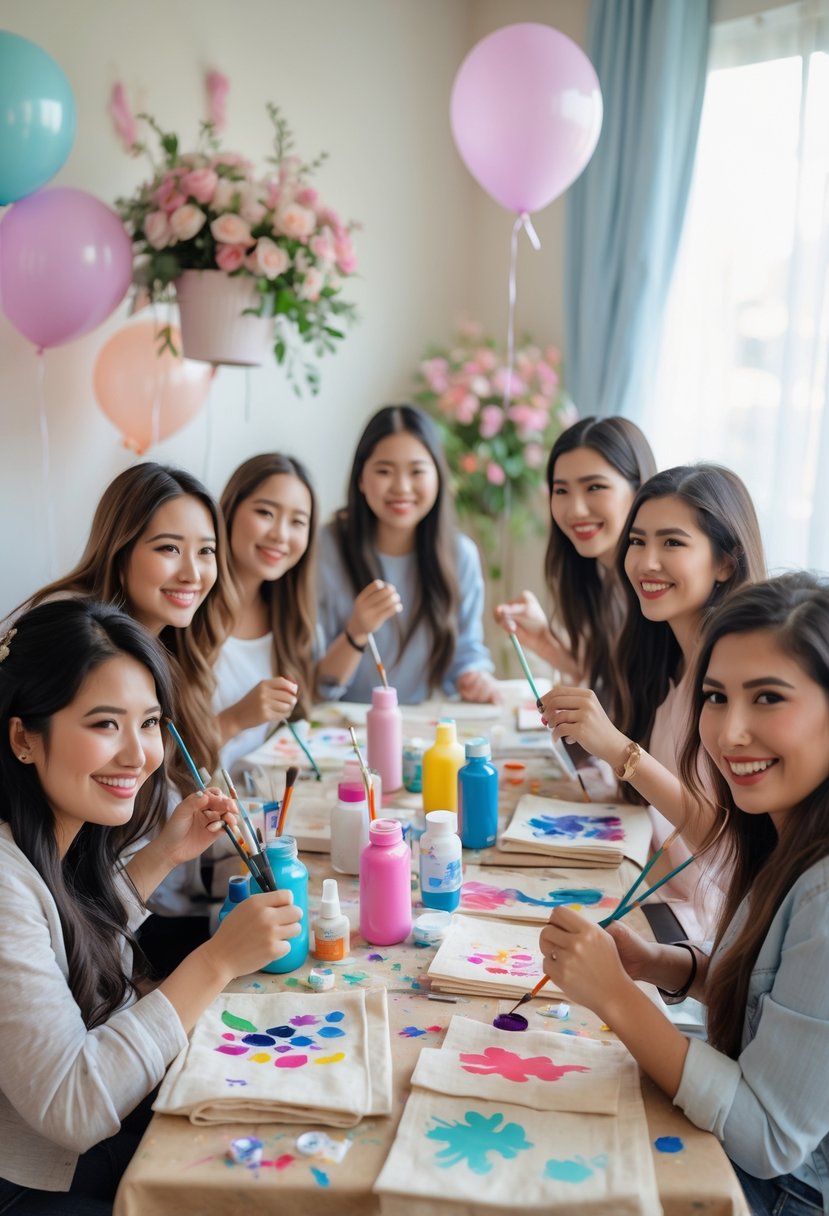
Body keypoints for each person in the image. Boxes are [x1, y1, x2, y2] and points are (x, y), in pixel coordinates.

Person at [538, 573, 829, 1215]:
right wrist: (662, 965)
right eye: (718, 697)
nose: (729, 733)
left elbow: (769, 1137)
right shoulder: (783, 832)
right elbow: (772, 1001)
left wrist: (614, 996)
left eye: (769, 698)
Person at [0, 600, 302, 1213]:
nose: (138, 755)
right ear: (23, 738)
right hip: (30, 1184)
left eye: (149, 723)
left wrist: (163, 854)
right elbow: (73, 1104)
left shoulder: (50, 838)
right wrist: (215, 962)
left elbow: (68, 952)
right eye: (105, 724)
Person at [20, 463, 239, 966]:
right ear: (120, 554)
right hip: (80, 931)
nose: (192, 572)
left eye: (205, 551)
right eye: (168, 548)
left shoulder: (173, 648)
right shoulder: (75, 645)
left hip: (124, 909)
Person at [539, 465, 766, 933]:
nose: (646, 562)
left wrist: (620, 752)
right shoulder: (662, 659)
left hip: (703, 931)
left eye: (673, 543)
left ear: (725, 562)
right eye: (638, 541)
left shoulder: (738, 683)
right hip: (651, 886)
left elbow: (731, 845)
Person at [316, 404, 498, 704]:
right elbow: (317, 684)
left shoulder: (459, 555)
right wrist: (356, 631)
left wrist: (474, 678)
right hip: (341, 731)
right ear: (361, 478)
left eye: (417, 471)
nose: (401, 487)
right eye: (385, 471)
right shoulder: (326, 548)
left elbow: (465, 654)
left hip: (417, 730)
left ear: (438, 477)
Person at [496, 415, 656, 694]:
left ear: (638, 489)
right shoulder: (600, 580)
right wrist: (546, 642)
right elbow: (619, 685)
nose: (575, 510)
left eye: (595, 487)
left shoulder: (658, 586)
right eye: (561, 490)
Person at [214, 453, 317, 774]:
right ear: (229, 512)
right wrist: (235, 720)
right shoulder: (187, 615)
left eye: (297, 522)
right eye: (265, 513)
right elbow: (160, 756)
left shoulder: (288, 620)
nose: (281, 535)